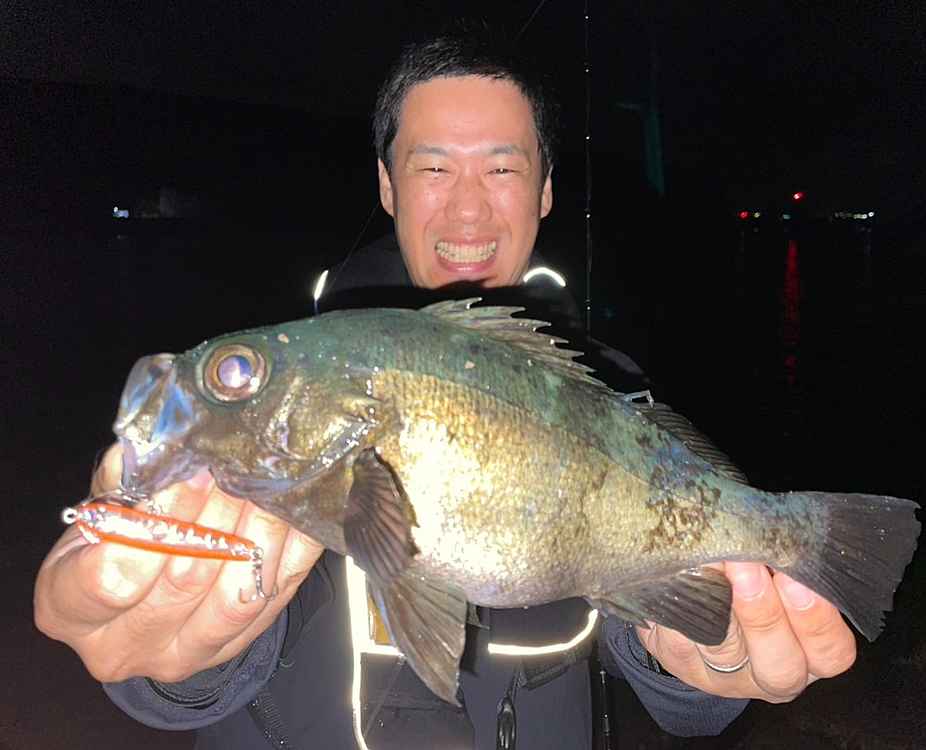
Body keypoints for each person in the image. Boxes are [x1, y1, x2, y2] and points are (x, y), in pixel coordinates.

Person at [34, 31, 858, 749]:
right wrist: (167, 658)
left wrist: (702, 666)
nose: (469, 211)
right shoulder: (304, 386)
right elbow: (178, 670)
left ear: (545, 190)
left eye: (502, 167)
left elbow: (664, 664)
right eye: (433, 167)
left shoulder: (612, 396)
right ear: (387, 185)